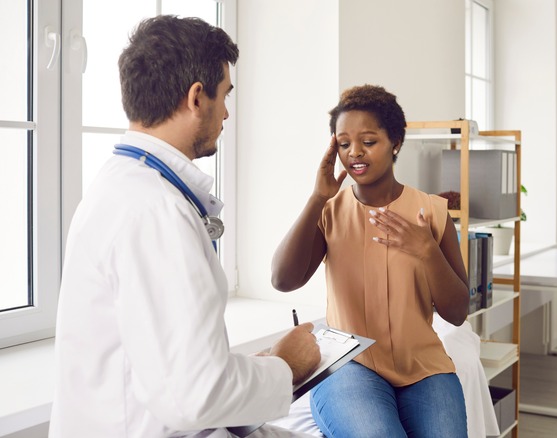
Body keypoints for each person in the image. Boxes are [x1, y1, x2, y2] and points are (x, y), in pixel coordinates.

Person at [49, 15, 320, 438]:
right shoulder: (155, 212)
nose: (227, 112)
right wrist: (285, 367)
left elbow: (173, 362)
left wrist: (250, 369)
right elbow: (194, 396)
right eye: (225, 95)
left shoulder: (122, 184)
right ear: (197, 98)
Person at [271, 85, 470, 437]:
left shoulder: (434, 212)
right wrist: (318, 198)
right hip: (349, 364)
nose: (355, 153)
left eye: (368, 141)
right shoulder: (329, 211)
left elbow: (456, 313)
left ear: (395, 142)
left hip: (423, 367)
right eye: (343, 143)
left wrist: (427, 251)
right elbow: (283, 280)